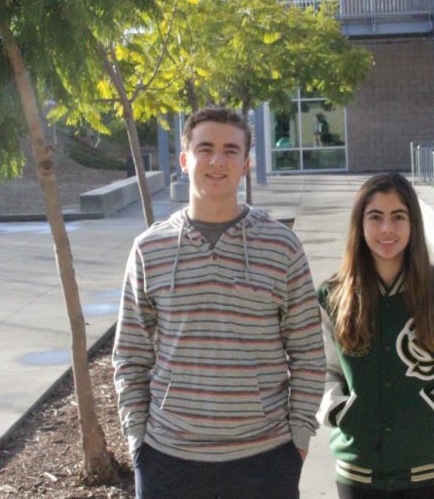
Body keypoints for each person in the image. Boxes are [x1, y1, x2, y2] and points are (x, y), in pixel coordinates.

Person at [112, 106, 325, 499]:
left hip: (266, 457)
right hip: (167, 458)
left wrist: (298, 438)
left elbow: (309, 352)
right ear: (184, 159)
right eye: (205, 148)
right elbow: (130, 354)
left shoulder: (280, 245)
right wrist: (137, 441)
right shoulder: (150, 249)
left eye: (230, 150)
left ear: (246, 163)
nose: (217, 160)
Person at [317, 173, 434, 498]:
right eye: (375, 217)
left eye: (398, 217)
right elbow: (317, 370)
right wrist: (336, 410)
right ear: (359, 225)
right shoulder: (331, 298)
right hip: (360, 473)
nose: (387, 229)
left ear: (413, 224)